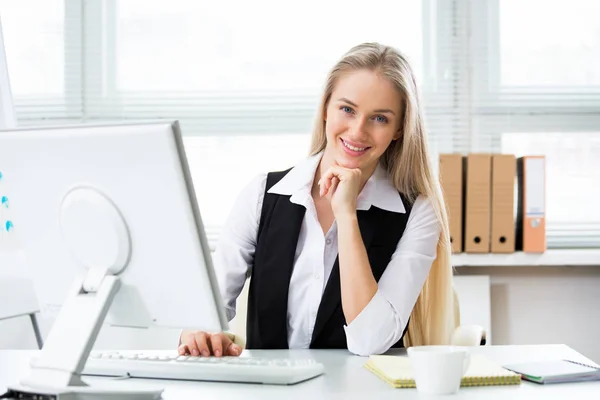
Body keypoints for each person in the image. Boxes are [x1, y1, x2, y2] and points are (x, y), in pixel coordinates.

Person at [178, 42, 455, 357]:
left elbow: (369, 340)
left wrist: (347, 214)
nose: (357, 131)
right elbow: (206, 307)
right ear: (326, 108)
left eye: (379, 118)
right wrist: (197, 332)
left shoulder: (417, 212)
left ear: (399, 130)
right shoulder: (262, 195)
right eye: (347, 109)